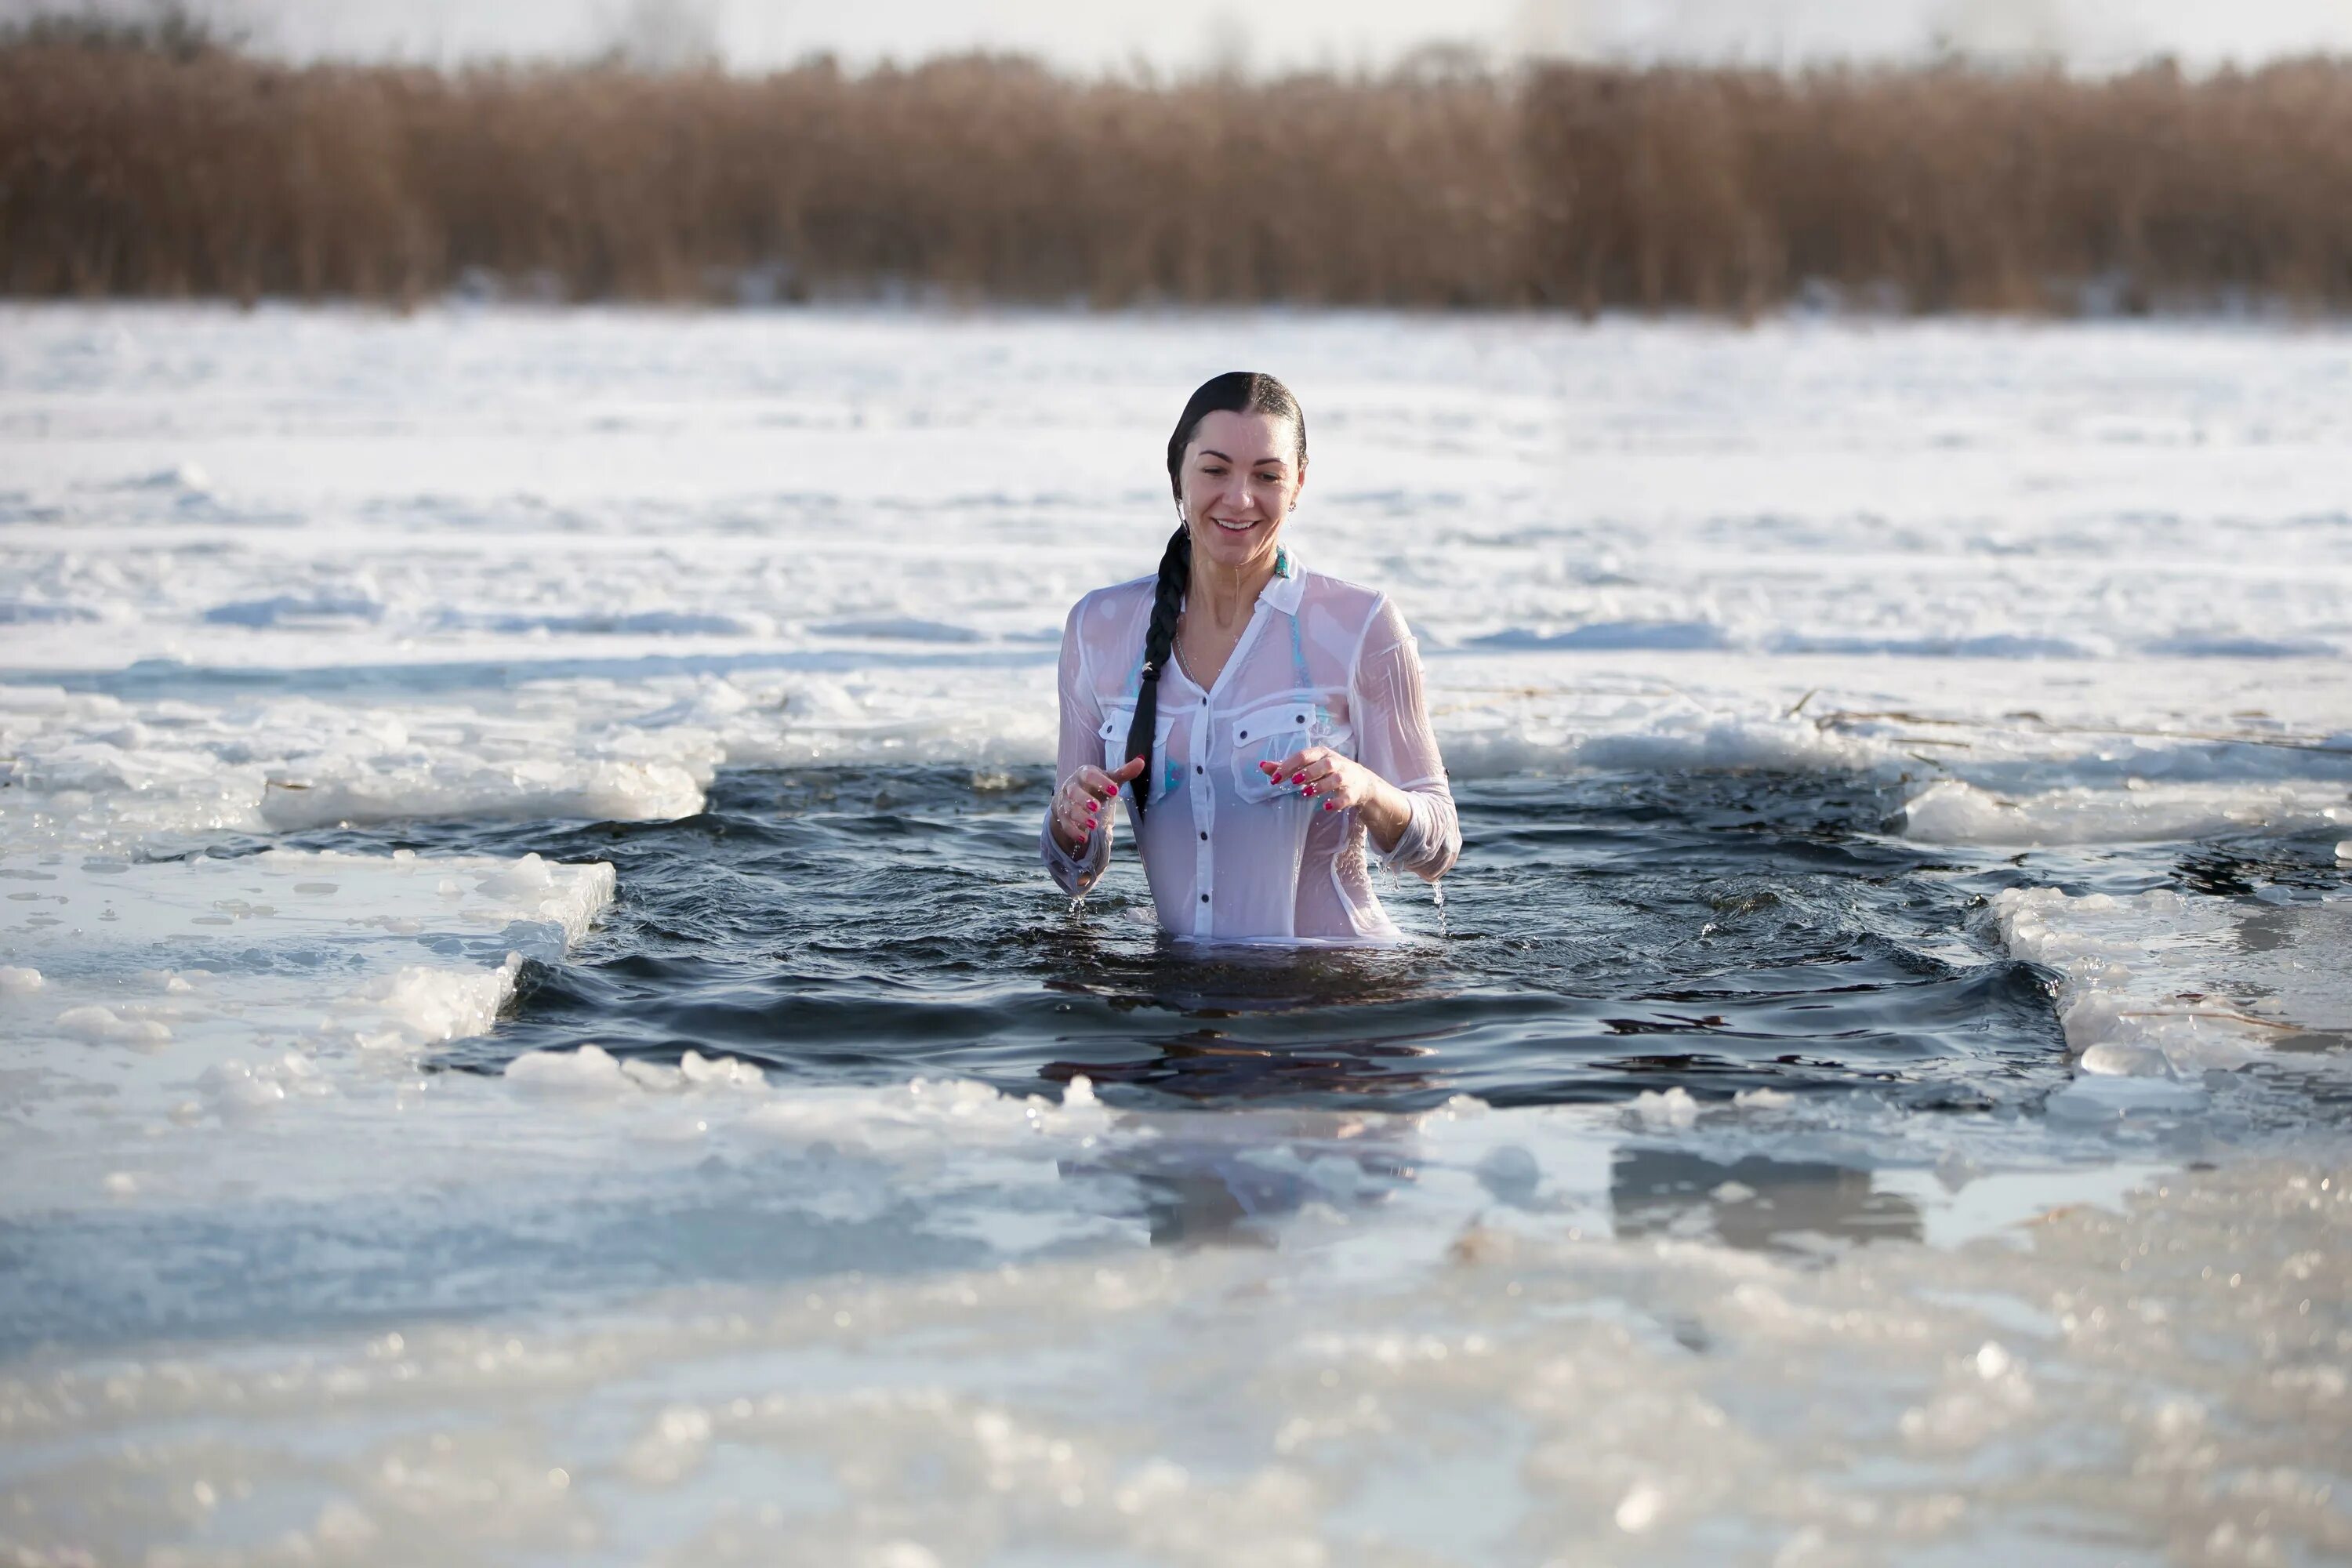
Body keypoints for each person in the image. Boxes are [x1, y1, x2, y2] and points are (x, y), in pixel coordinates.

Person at [1042, 371, 1459, 942]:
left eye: (1267, 476)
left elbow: (1439, 847)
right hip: (1180, 991)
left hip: (1339, 990)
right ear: (1177, 476)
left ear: (1298, 486)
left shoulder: (1361, 625)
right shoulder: (1099, 627)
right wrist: (1070, 823)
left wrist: (1367, 790)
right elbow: (1074, 873)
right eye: (1215, 470)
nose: (1239, 499)